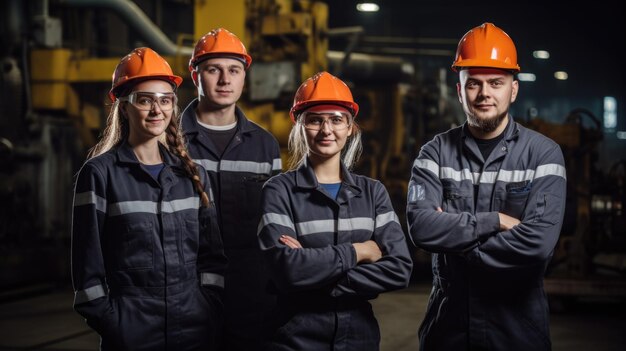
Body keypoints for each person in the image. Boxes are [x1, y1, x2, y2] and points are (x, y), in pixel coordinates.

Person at [406, 22, 567, 350]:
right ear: (459, 90)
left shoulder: (543, 154)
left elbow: (538, 244)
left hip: (517, 332)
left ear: (514, 89)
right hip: (447, 331)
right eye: (474, 84)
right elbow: (422, 229)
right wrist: (495, 222)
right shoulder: (434, 153)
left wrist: (455, 244)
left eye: (496, 82)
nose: (484, 94)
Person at [71, 47, 227, 350]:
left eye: (165, 100)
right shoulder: (100, 175)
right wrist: (116, 326)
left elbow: (213, 259)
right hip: (132, 334)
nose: (157, 110)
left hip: (193, 332)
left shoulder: (193, 175)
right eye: (145, 100)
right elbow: (87, 272)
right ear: (124, 108)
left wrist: (208, 307)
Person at [258, 71, 413, 351]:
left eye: (336, 120)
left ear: (350, 127)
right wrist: (359, 251)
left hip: (359, 338)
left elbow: (400, 269)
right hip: (294, 339)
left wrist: (315, 275)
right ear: (300, 126)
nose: (326, 130)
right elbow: (288, 271)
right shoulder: (278, 191)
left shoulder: (372, 192)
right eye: (315, 120)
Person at [181, 27, 282, 350]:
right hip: (186, 291)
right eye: (213, 70)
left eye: (234, 70)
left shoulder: (265, 144)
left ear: (243, 78)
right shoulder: (170, 142)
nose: (225, 80)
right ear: (195, 75)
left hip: (250, 295)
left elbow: (273, 221)